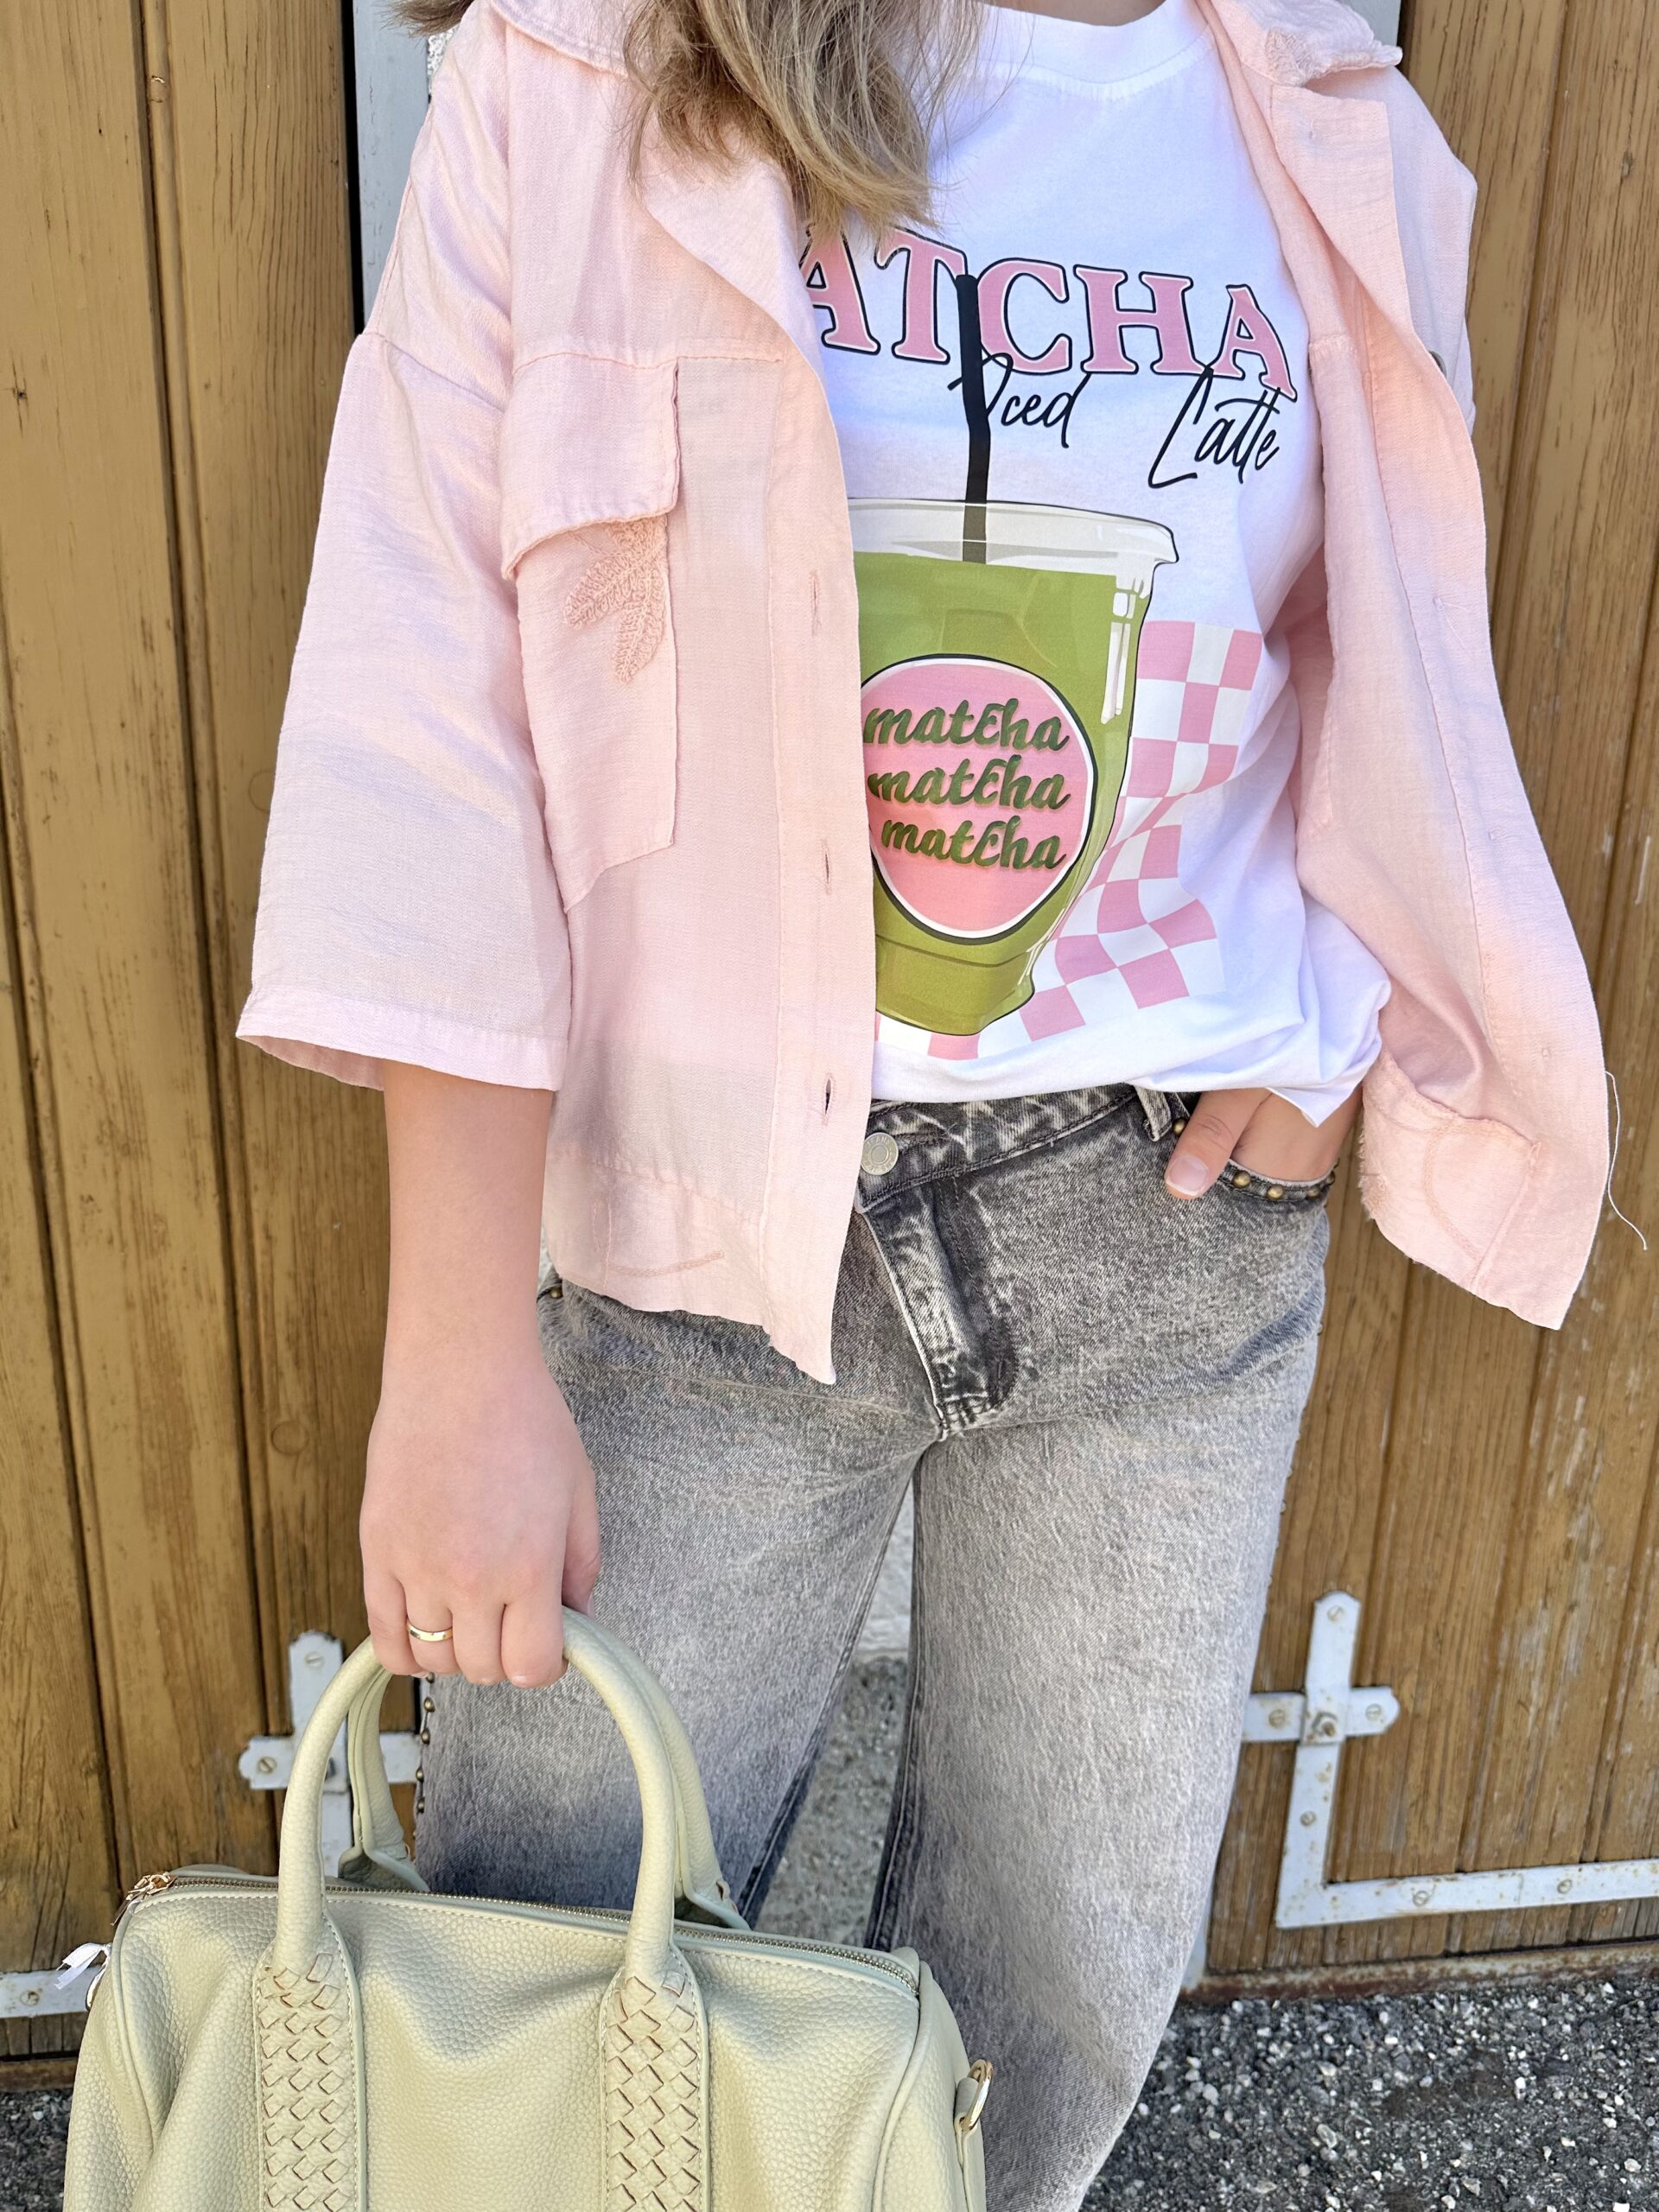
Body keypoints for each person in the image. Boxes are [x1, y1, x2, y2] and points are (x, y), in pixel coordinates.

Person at [237, 0, 1607, 2198]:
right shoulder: (582, 72)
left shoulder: (1317, 101)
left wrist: (1331, 1019)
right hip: (697, 1245)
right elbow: (432, 726)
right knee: (546, 1992)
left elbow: (1373, 625)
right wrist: (456, 1353)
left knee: (1050, 2007)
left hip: (1167, 1230)